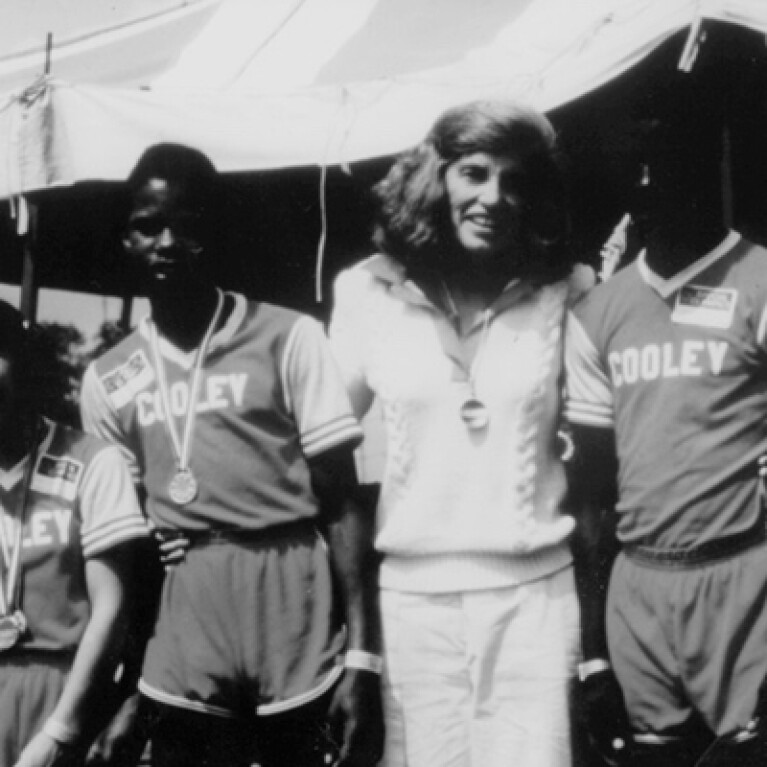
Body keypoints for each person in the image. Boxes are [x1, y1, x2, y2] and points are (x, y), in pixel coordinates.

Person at [80, 143, 383, 767]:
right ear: (126, 241)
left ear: (214, 234)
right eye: (147, 227)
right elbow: (125, 540)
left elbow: (342, 501)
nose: (166, 242)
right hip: (185, 602)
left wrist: (363, 657)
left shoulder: (288, 336)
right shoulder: (108, 378)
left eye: (186, 227)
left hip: (290, 588)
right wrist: (131, 683)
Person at [329, 100, 591, 767]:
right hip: (410, 603)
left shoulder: (570, 291)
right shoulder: (366, 291)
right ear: (434, 179)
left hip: (536, 599)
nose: (492, 197)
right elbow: (314, 447)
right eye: (472, 172)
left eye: (515, 180)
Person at [564, 55, 767, 767]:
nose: (652, 174)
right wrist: (592, 655)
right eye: (639, 155)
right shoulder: (598, 311)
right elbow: (588, 502)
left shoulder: (759, 280)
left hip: (743, 576)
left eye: (671, 149)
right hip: (639, 590)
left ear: (707, 152)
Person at [0, 300, 147, 767]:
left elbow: (112, 607)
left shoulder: (93, 461)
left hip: (61, 693)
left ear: (23, 365)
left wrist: (61, 732)